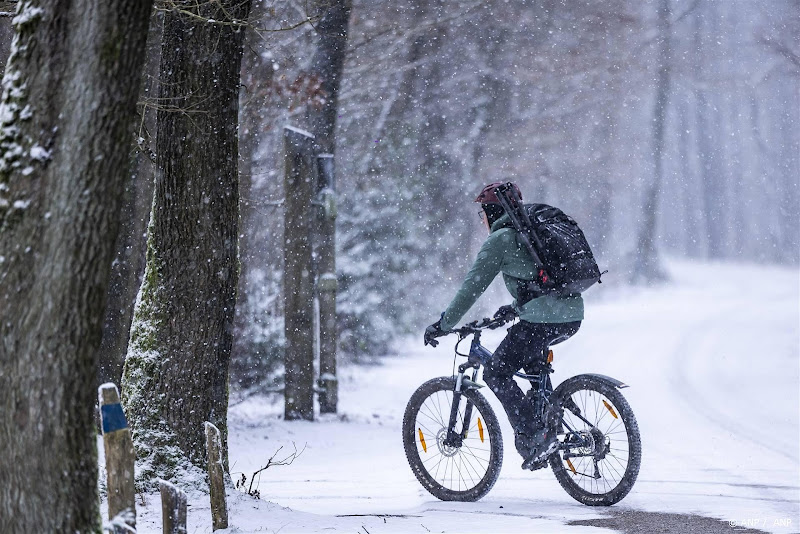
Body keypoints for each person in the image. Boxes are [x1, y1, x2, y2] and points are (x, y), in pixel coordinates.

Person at [424, 181, 584, 470]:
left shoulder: (500, 240)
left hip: (541, 320)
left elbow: (472, 287)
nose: (481, 220)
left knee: (497, 372)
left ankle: (536, 435)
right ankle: (549, 420)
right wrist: (514, 309)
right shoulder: (529, 234)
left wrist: (444, 323)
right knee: (532, 365)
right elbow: (539, 282)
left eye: (481, 213)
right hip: (571, 316)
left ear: (489, 211)